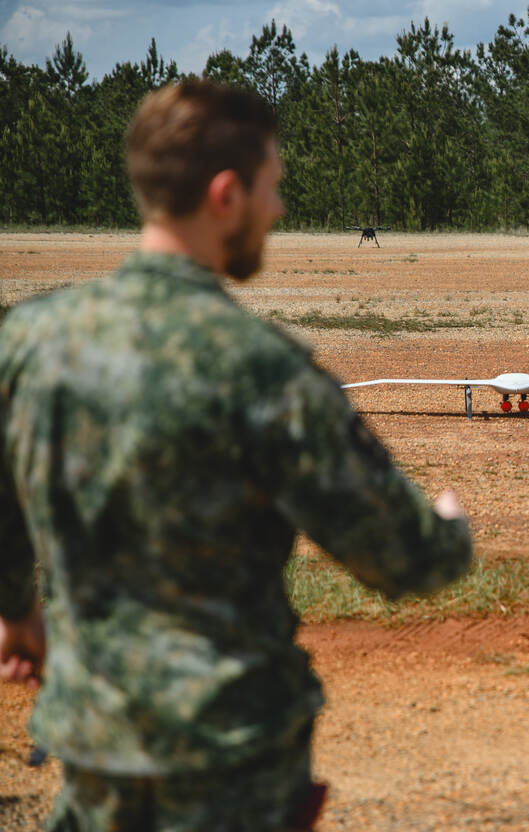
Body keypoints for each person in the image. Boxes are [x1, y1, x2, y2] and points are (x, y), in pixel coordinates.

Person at [0, 79, 473, 831]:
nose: (278, 210)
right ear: (226, 194)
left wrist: (19, 613)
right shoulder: (263, 368)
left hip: (91, 744)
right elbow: (403, 558)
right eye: (272, 188)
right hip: (232, 759)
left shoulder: (25, 342)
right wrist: (448, 526)